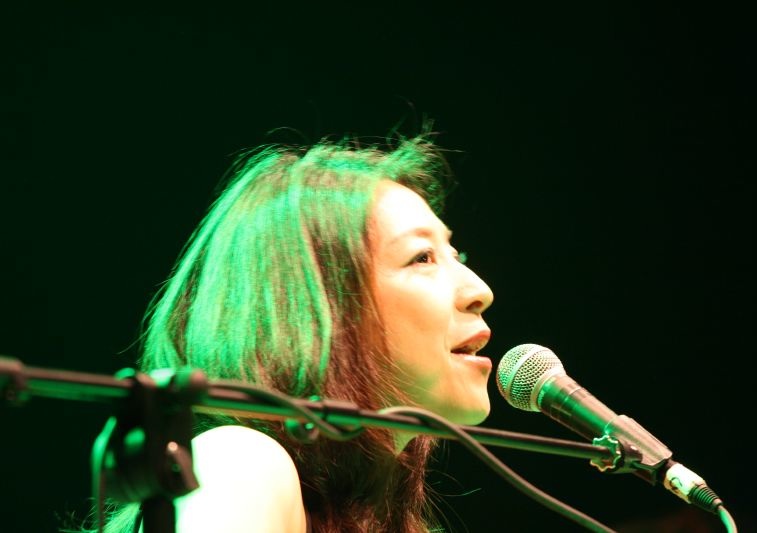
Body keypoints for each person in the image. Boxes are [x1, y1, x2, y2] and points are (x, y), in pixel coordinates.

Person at [95, 132, 495, 532]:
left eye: (455, 255)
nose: (480, 290)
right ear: (322, 310)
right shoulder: (242, 462)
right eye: (422, 257)